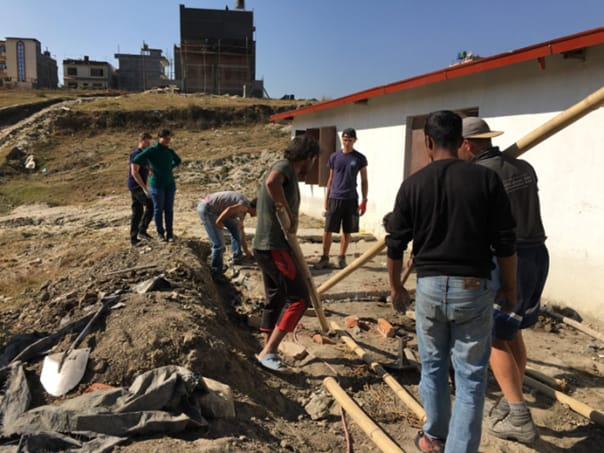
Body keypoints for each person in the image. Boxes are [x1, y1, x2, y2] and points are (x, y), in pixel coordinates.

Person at [385, 110, 517, 452]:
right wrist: (511, 288)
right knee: (471, 378)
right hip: (472, 288)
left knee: (432, 366)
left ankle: (433, 438)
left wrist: (396, 286)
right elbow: (505, 241)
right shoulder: (487, 181)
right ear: (461, 142)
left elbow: (395, 243)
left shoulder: (412, 184)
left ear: (428, 142)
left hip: (428, 286)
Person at [459, 116, 549, 444]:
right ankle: (513, 400)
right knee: (513, 332)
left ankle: (519, 415)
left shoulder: (480, 174)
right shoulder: (524, 167)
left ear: (468, 144)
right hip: (538, 252)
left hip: (508, 259)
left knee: (493, 335)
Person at [253, 135, 319, 372]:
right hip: (274, 247)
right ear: (308, 158)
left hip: (266, 246)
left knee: (276, 298)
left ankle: (265, 349)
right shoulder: (283, 168)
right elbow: (272, 183)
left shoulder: (283, 169)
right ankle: (269, 352)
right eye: (313, 161)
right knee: (299, 299)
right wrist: (288, 212)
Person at [315, 128, 368, 270]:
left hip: (351, 198)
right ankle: (325, 257)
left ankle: (342, 257)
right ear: (342, 140)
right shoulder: (334, 157)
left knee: (347, 230)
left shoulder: (360, 158)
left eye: (350, 140)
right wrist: (326, 198)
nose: (347, 142)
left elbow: (364, 180)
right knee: (328, 229)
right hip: (335, 197)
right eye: (345, 139)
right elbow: (330, 179)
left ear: (354, 141)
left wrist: (364, 200)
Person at [132, 129, 181, 242]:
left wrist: (169, 168)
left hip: (169, 184)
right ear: (159, 138)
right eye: (166, 138)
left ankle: (170, 233)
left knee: (169, 209)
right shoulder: (151, 150)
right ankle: (160, 233)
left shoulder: (169, 151)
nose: (168, 141)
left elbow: (178, 160)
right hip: (157, 185)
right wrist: (150, 168)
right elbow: (137, 159)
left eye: (169, 138)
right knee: (158, 209)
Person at [197, 191, 257, 282]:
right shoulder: (244, 206)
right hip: (208, 209)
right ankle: (216, 272)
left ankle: (237, 256)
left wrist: (246, 251)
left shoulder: (243, 212)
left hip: (216, 210)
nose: (258, 215)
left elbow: (241, 231)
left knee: (236, 228)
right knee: (219, 243)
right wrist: (219, 221)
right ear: (256, 208)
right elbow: (229, 209)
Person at [127, 132, 154, 246]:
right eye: (147, 142)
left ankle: (134, 239)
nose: (148, 144)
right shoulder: (135, 154)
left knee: (137, 212)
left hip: (140, 184)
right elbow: (134, 172)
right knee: (151, 205)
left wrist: (151, 171)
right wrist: (144, 188)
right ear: (142, 140)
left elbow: (146, 166)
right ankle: (142, 231)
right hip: (136, 185)